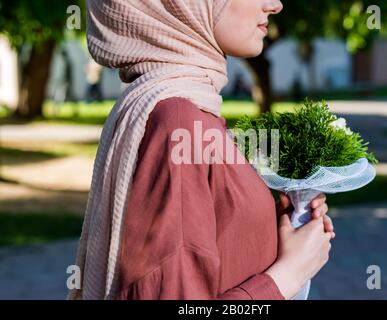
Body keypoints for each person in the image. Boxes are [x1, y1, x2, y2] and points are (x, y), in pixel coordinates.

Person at [67, 0, 335, 300]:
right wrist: (290, 273)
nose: (275, 5)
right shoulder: (178, 121)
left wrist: (262, 227)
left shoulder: (182, 109)